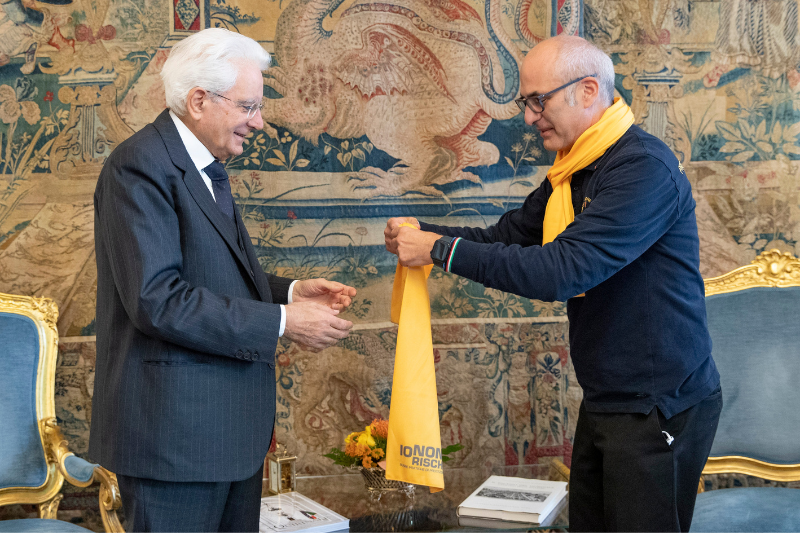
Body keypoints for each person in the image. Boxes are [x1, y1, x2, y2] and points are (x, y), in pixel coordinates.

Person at [385, 35, 722, 532]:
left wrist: (437, 249)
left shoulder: (642, 168)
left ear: (588, 90)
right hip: (608, 397)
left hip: (657, 405)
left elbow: (562, 271)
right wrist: (425, 233)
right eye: (526, 102)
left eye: (538, 101)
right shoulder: (575, 166)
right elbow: (509, 236)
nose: (528, 117)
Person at [90, 28, 356, 533]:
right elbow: (157, 300)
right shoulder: (139, 166)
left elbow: (211, 273)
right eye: (248, 106)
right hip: (176, 442)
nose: (259, 121)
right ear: (198, 101)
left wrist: (291, 291)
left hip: (225, 437)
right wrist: (283, 321)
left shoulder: (202, 165)